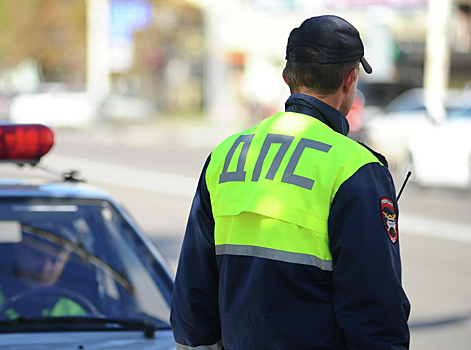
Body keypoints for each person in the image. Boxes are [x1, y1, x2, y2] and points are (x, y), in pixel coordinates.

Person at [170, 15, 410, 350]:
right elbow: (374, 308)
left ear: (286, 77)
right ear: (350, 80)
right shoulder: (354, 168)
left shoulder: (225, 155)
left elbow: (194, 296)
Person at [0, 236, 87, 323]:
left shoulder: (78, 313)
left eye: (54, 260)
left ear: (66, 262)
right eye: (38, 256)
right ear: (19, 251)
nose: (44, 269)